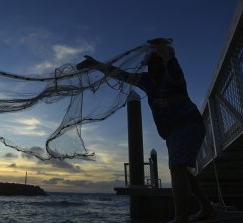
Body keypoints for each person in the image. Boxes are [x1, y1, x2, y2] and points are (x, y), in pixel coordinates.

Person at [76, 38, 215, 223]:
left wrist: (164, 50)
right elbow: (122, 75)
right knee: (183, 171)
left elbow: (173, 64)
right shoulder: (148, 81)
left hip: (189, 124)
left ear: (162, 62)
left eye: (155, 62)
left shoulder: (172, 76)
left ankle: (181, 218)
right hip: (172, 132)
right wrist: (96, 65)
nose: (151, 67)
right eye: (149, 64)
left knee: (176, 167)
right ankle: (206, 208)